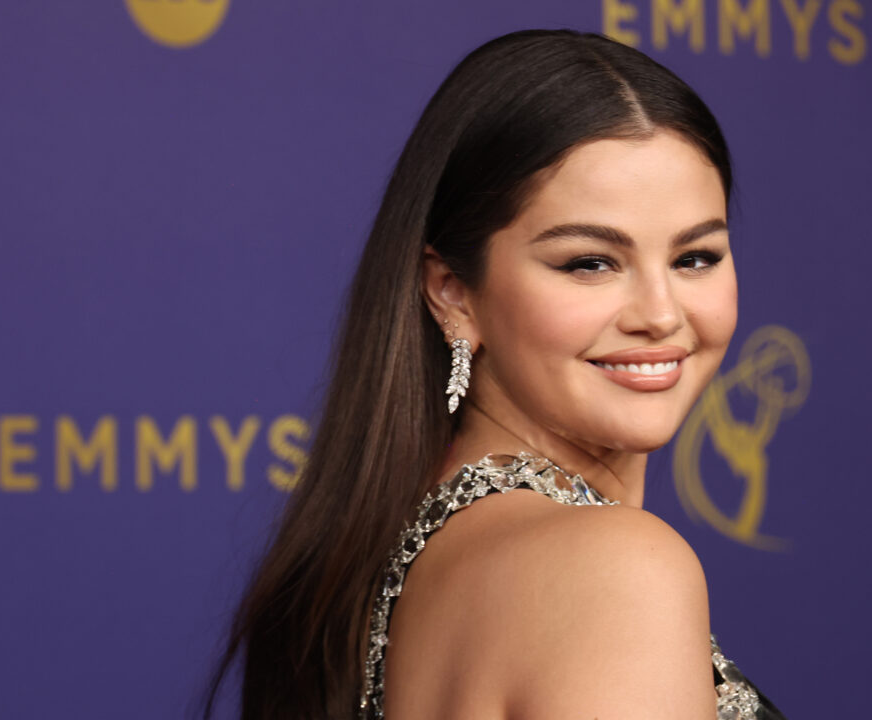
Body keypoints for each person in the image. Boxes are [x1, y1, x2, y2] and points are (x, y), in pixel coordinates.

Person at [205, 28, 787, 719]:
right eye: (589, 262)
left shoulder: (381, 563)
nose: (661, 315)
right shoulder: (616, 570)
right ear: (452, 290)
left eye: (695, 257)